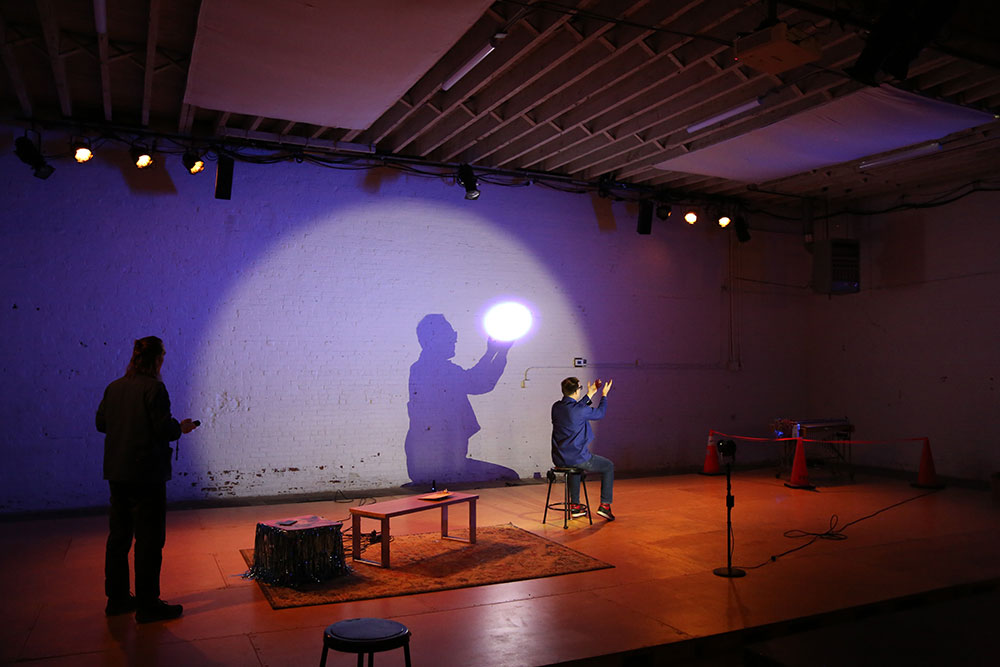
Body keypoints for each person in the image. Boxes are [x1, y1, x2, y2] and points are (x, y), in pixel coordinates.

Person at [96, 336, 199, 622]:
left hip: (117, 472)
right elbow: (164, 429)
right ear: (157, 360)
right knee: (149, 541)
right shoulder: (155, 388)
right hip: (146, 475)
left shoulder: (114, 387)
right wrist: (180, 428)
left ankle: (117, 599)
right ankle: (148, 605)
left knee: (119, 538)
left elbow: (101, 423)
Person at [551, 376, 615, 521]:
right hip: (578, 458)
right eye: (580, 388)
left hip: (559, 459)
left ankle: (575, 506)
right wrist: (604, 395)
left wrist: (590, 394)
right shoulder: (579, 410)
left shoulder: (556, 407)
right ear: (576, 391)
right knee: (608, 466)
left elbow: (575, 409)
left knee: (575, 468)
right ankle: (605, 506)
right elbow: (600, 413)